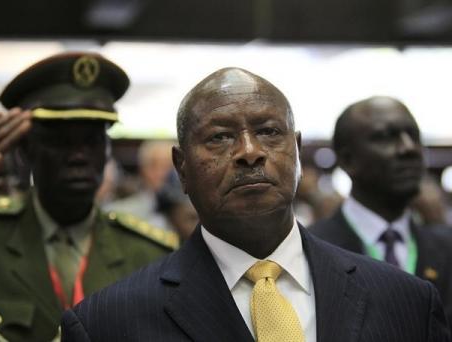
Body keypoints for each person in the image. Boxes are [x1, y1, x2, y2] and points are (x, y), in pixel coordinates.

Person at [61, 69, 450, 341]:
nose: (249, 152)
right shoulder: (109, 323)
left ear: (296, 153)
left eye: (268, 132)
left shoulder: (406, 301)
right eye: (219, 137)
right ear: (182, 167)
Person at [0, 52, 178, 341]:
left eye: (92, 140)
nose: (79, 156)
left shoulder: (148, 255)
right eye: (60, 140)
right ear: (26, 150)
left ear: (107, 150)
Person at [308, 96, 452, 328]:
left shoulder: (447, 247)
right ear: (347, 159)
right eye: (386, 137)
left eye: (413, 136)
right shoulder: (312, 249)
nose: (408, 148)